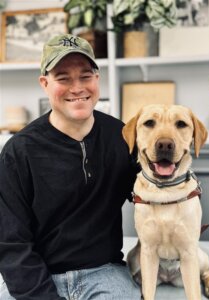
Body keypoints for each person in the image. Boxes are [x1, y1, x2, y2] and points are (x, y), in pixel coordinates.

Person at [0, 34, 141, 300]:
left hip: (104, 271)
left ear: (97, 79)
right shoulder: (18, 151)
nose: (77, 88)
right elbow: (11, 242)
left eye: (85, 76)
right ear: (45, 83)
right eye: (63, 78)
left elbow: (151, 190)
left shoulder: (122, 137)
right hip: (37, 273)